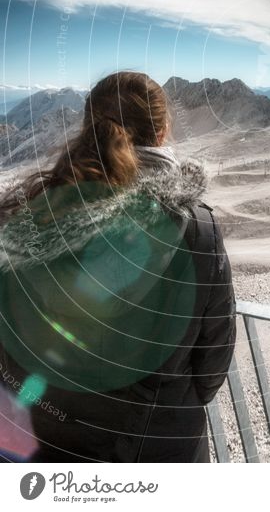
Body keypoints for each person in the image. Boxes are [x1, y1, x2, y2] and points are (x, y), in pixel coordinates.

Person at [0, 71, 236, 463]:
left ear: (88, 125)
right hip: (148, 453)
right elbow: (212, 365)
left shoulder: (32, 210)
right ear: (161, 132)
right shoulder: (196, 228)